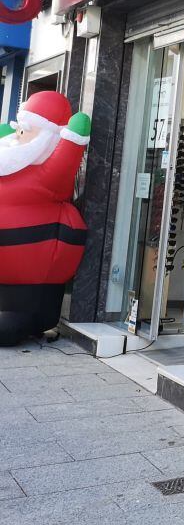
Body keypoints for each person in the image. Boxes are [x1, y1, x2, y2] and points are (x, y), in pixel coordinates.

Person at [0, 91, 91, 344]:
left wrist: (73, 139)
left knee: (16, 319)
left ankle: (27, 321)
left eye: (27, 131)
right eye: (19, 130)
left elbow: (68, 155)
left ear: (51, 135)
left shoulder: (47, 172)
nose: (18, 137)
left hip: (34, 270)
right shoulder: (11, 159)